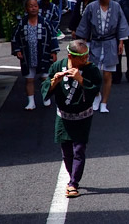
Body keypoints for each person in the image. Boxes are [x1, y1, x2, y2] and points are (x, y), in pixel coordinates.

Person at [42, 40, 102, 199]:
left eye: (87, 56)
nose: (85, 60)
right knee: (66, 151)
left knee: (79, 150)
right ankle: (72, 177)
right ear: (70, 56)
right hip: (64, 117)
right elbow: (46, 87)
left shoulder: (91, 69)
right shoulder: (58, 66)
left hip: (83, 116)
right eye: (82, 57)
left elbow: (96, 89)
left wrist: (81, 80)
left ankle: (74, 183)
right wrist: (54, 82)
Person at [75, 0, 129, 113]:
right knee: (93, 74)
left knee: (107, 75)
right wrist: (82, 44)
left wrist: (121, 42)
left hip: (110, 42)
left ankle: (104, 102)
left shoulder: (116, 7)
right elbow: (84, 26)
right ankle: (96, 95)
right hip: (95, 42)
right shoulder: (91, 7)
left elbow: (122, 25)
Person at [11, 0, 60, 110]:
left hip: (43, 53)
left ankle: (46, 97)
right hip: (27, 55)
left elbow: (52, 37)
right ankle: (31, 102)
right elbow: (15, 38)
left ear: (38, 8)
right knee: (29, 79)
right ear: (26, 9)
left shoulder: (45, 22)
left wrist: (53, 51)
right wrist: (17, 50)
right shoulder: (22, 23)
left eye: (35, 6)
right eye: (30, 6)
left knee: (45, 78)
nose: (33, 8)